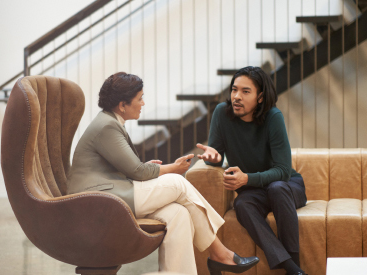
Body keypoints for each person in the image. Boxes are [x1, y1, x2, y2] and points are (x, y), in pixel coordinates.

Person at [68, 72, 259, 275]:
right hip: (98, 201)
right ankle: (220, 254)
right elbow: (138, 171)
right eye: (139, 98)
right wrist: (172, 168)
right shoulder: (107, 126)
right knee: (177, 182)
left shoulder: (109, 122)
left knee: (179, 214)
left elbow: (126, 168)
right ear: (122, 105)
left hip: (112, 193)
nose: (143, 103)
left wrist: (147, 168)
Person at [196, 66, 308, 275]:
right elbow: (215, 155)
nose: (237, 97)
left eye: (245, 92)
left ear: (260, 97)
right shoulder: (222, 113)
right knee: (242, 204)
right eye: (234, 90)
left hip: (287, 187)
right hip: (255, 192)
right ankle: (293, 270)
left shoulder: (273, 117)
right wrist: (214, 159)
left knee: (276, 188)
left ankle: (294, 262)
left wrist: (247, 179)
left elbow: (283, 171)